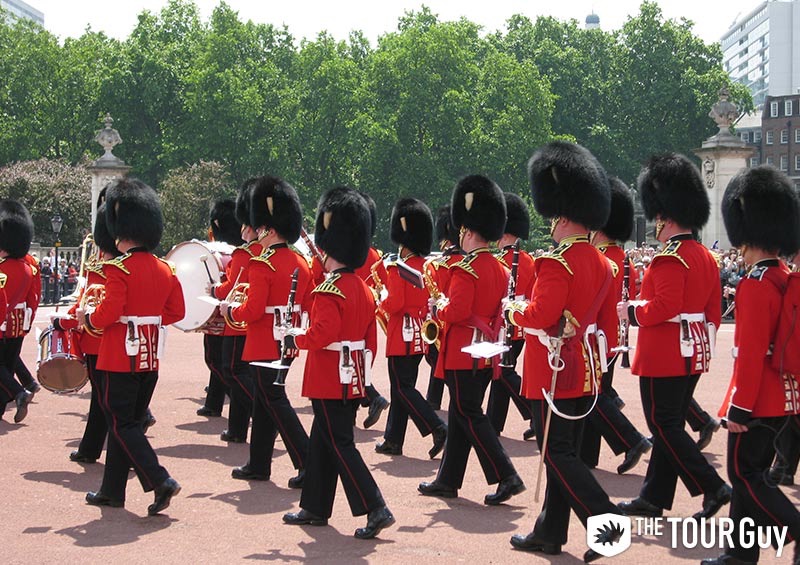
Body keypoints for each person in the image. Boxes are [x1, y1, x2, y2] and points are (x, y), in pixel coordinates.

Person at [503, 141, 620, 562]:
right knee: (561, 451)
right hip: (586, 368)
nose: (550, 224)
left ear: (565, 216)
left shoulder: (558, 262)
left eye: (554, 216)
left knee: (558, 454)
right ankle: (550, 532)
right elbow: (606, 324)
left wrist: (515, 311)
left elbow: (540, 314)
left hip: (553, 369)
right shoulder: (604, 263)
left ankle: (607, 525)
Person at [617, 153, 731, 521]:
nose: (656, 226)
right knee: (671, 424)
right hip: (692, 351)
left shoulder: (670, 259)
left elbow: (662, 307)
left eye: (659, 220)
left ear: (666, 218)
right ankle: (654, 497)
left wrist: (632, 311)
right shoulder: (703, 257)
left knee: (662, 425)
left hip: (664, 353)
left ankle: (713, 486)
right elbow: (713, 311)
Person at [283, 186, 395, 539]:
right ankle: (314, 506)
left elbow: (322, 334)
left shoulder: (330, 289)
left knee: (339, 442)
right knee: (321, 440)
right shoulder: (360, 287)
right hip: (352, 375)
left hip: (330, 376)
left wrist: (295, 337)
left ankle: (375, 506)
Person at [702, 165, 800, 565]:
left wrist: (738, 407)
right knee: (747, 475)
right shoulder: (783, 276)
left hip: (757, 399)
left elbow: (752, 350)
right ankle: (740, 554)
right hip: (782, 396)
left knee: (746, 474)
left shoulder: (757, 283)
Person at [79, 178, 185, 515]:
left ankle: (160, 479)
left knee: (122, 423)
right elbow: (176, 312)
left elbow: (107, 314)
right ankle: (112, 491)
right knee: (126, 422)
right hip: (149, 358)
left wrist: (88, 317)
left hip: (118, 358)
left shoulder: (117, 269)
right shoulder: (165, 269)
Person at [418, 175, 525, 505]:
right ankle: (448, 479)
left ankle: (507, 475)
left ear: (468, 231)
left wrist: (439, 305)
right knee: (462, 415)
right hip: (485, 352)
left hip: (464, 353)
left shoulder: (467, 269)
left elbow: (457, 312)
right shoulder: (499, 268)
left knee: (469, 413)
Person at [223, 176, 312, 486]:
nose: (255, 233)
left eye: (259, 228)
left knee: (274, 399)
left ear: (270, 229)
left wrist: (229, 310)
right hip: (287, 338)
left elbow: (252, 311)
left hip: (263, 340)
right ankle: (259, 463)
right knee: (263, 401)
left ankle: (308, 460)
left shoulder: (263, 264)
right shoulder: (301, 262)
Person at [581, 176, 651, 474]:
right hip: (612, 336)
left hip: (596, 338)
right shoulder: (623, 259)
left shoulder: (599, 259)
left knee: (591, 396)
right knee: (597, 393)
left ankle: (630, 439)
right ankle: (587, 456)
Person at [374, 198, 447, 458]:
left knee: (403, 388)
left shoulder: (399, 268)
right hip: (419, 335)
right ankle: (393, 438)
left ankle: (436, 426)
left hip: (400, 336)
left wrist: (379, 299)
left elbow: (394, 304)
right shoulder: (427, 267)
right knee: (402, 386)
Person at [58, 199, 119, 464]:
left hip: (99, 339)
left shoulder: (113, 269)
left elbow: (95, 305)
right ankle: (91, 447)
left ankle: (120, 451)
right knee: (101, 398)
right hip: (100, 336)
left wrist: (73, 319)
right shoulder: (102, 264)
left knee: (108, 401)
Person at [210, 180, 263, 443]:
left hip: (238, 320)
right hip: (256, 322)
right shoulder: (264, 252)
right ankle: (237, 428)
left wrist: (214, 289)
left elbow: (230, 289)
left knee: (231, 370)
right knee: (245, 372)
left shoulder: (244, 254)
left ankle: (264, 414)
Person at [487, 192, 535, 439]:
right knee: (501, 373)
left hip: (507, 325)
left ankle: (536, 413)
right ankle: (493, 423)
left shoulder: (506, 261)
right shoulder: (529, 260)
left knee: (504, 371)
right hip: (522, 325)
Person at [196, 198, 243, 418]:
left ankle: (243, 401)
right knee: (221, 363)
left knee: (218, 362)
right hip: (229, 314)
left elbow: (228, 287)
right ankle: (214, 403)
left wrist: (214, 290)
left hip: (225, 313)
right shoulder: (235, 252)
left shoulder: (237, 256)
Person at [0, 199, 35, 423]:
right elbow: (33, 298)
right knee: (9, 365)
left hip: (2, 324)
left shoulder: (2, 269)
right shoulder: (27, 268)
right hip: (18, 324)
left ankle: (19, 392)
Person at [424, 205, 460, 411]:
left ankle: (436, 399)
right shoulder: (466, 262)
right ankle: (433, 399)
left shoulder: (437, 265)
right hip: (452, 319)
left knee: (437, 359)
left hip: (441, 318)